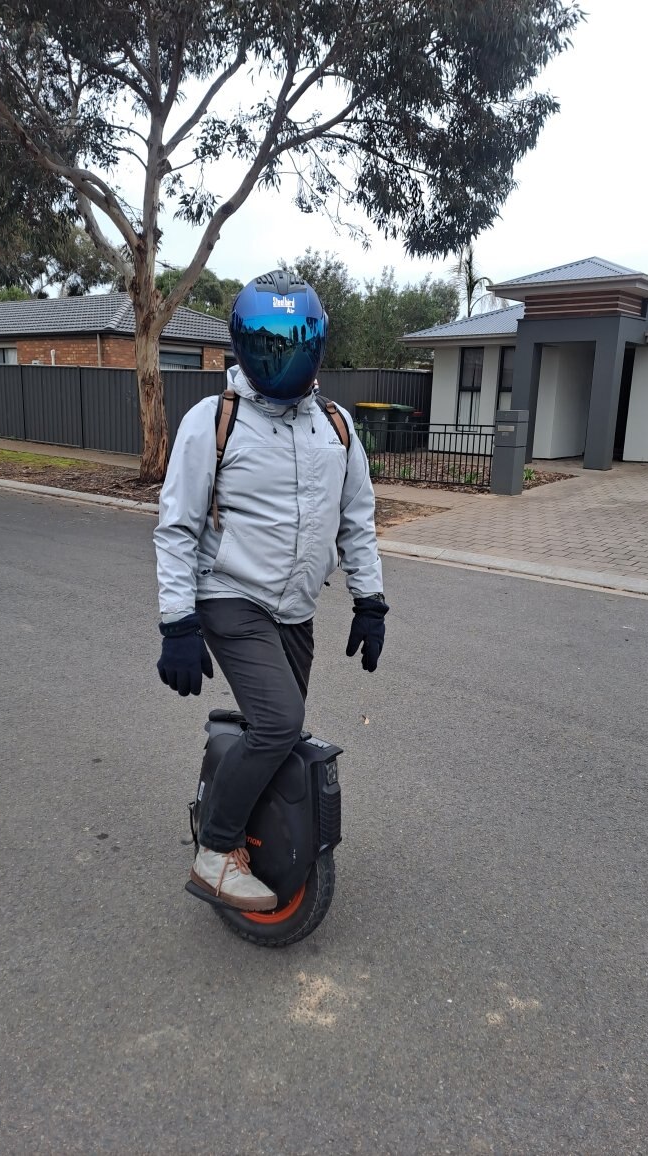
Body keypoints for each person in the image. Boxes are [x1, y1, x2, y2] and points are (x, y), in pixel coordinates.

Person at [153, 270, 388, 912]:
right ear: (242, 344)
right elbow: (176, 527)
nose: (278, 354)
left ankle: (237, 807)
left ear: (315, 345)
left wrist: (370, 602)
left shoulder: (336, 428)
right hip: (230, 596)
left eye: (293, 340)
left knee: (276, 729)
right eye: (265, 341)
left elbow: (356, 522)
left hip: (297, 608)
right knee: (281, 721)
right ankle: (214, 851)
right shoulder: (214, 421)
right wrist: (178, 622)